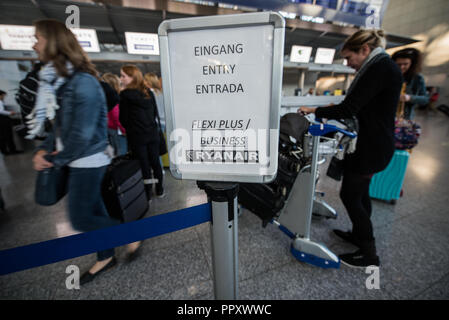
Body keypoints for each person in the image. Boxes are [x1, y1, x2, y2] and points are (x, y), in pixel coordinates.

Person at [30, 19, 140, 285]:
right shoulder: (59, 82)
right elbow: (58, 126)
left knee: (80, 218)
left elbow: (82, 133)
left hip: (87, 160)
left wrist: (55, 159)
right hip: (78, 159)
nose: (34, 45)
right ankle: (106, 256)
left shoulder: (82, 83)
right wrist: (45, 149)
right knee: (95, 212)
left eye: (38, 39)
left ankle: (129, 234)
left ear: (54, 42)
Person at [299, 29, 403, 268]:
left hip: (371, 146)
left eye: (349, 58)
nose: (348, 64)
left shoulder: (379, 68)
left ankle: (369, 254)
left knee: (350, 195)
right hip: (376, 142)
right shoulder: (381, 65)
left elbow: (349, 108)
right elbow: (363, 106)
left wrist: (314, 110)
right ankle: (359, 235)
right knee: (361, 193)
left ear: (364, 50)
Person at [119, 65, 164, 200]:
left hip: (137, 136)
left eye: (123, 76)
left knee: (144, 164)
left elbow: (123, 119)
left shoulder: (125, 95)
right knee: (155, 162)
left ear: (132, 78)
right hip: (152, 133)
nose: (121, 79)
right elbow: (155, 113)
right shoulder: (148, 93)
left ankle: (148, 192)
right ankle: (160, 189)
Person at [392, 48, 429, 120]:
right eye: (398, 64)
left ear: (412, 64)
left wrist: (409, 98)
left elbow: (425, 99)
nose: (401, 67)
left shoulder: (417, 78)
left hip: (405, 117)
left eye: (405, 64)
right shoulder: (389, 75)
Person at [101, 73, 128, 156]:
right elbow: (117, 117)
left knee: (112, 153)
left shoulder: (103, 97)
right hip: (116, 130)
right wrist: (124, 130)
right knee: (121, 152)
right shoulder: (114, 98)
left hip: (108, 128)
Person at [0, 90, 21, 156]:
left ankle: (4, 151)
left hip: (1, 121)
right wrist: (11, 113)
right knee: (8, 135)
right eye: (3, 95)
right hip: (3, 120)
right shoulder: (0, 101)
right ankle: (12, 150)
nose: (4, 97)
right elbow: (1, 111)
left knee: (2, 136)